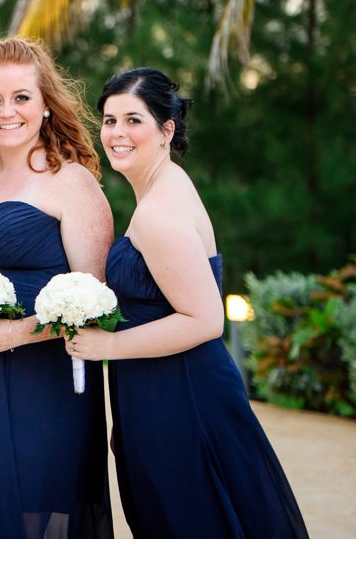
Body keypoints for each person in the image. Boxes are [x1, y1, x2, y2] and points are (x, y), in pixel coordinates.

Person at [66, 67, 308, 538]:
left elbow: (204, 320)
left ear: (166, 130)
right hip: (163, 394)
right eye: (110, 120)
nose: (117, 133)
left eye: (133, 120)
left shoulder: (159, 214)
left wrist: (103, 347)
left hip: (182, 400)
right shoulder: (165, 189)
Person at [0, 36, 113, 538]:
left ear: (46, 106)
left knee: (40, 513)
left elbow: (98, 304)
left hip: (46, 381)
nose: (6, 111)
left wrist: (13, 336)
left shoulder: (72, 183)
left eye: (20, 98)